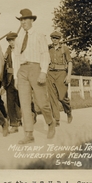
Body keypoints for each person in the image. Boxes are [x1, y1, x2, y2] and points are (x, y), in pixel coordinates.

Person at [13, 9, 56, 144]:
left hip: (36, 68)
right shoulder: (19, 38)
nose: (23, 22)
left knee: (42, 102)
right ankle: (29, 134)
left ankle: (50, 122)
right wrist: (16, 77)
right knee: (25, 104)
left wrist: (43, 72)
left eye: (25, 19)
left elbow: (45, 54)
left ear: (32, 20)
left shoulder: (39, 35)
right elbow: (16, 58)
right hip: (22, 71)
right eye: (21, 20)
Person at [3, 32, 37, 133]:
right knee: (10, 102)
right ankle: (14, 124)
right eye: (9, 41)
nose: (11, 42)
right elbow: (5, 67)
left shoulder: (24, 49)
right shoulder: (8, 51)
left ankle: (32, 113)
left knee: (23, 100)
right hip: (10, 79)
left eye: (13, 40)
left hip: (22, 78)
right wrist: (4, 82)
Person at [47, 30, 73, 126]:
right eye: (53, 38)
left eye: (57, 38)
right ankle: (56, 119)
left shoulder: (64, 49)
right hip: (50, 74)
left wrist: (68, 75)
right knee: (52, 97)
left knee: (62, 97)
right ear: (51, 39)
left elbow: (69, 62)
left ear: (60, 39)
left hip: (61, 73)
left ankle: (68, 111)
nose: (55, 40)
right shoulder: (48, 48)